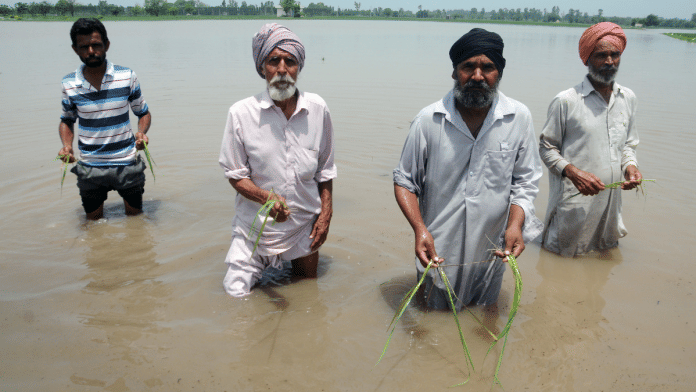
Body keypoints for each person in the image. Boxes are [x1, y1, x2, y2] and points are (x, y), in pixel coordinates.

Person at [393, 28, 543, 310]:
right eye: (468, 67)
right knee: (433, 322)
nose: (477, 76)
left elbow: (525, 181)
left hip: (491, 254)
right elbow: (404, 181)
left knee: (485, 317)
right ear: (454, 72)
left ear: (499, 73)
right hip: (437, 253)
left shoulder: (518, 118)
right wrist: (419, 229)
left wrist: (515, 225)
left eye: (487, 68)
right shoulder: (428, 121)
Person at [219, 23, 336, 297]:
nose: (282, 69)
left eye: (290, 61)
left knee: (308, 292)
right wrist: (265, 199)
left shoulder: (318, 110)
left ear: (299, 68)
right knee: (235, 294)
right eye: (274, 61)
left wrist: (326, 215)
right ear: (262, 67)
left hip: (304, 228)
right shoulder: (241, 114)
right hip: (254, 231)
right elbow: (235, 174)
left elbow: (326, 170)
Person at [539, 22, 642, 257]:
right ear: (587, 59)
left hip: (610, 204)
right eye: (601, 56)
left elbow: (628, 144)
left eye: (614, 55)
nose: (609, 62)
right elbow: (546, 148)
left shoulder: (628, 98)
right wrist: (575, 174)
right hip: (575, 204)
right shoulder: (567, 101)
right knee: (562, 262)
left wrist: (631, 167)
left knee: (602, 257)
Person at [58, 18, 152, 220]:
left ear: (106, 45)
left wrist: (141, 133)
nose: (91, 51)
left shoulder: (126, 76)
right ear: (75, 49)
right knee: (92, 224)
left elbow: (142, 112)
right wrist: (67, 146)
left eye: (96, 45)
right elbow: (67, 120)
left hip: (127, 163)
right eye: (84, 47)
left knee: (136, 221)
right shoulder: (69, 83)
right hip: (90, 166)